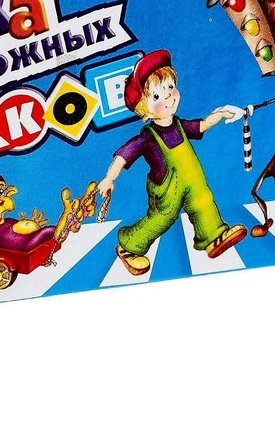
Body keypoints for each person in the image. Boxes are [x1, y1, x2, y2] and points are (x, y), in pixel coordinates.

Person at [97, 50, 247, 276]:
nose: (168, 96)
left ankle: (214, 236)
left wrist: (222, 113)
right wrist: (109, 178)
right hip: (167, 188)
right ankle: (129, 246)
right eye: (157, 95)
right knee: (163, 218)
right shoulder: (147, 138)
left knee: (203, 201)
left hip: (193, 181)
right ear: (144, 109)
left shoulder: (180, 125)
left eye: (170, 86)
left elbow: (203, 125)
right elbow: (124, 155)